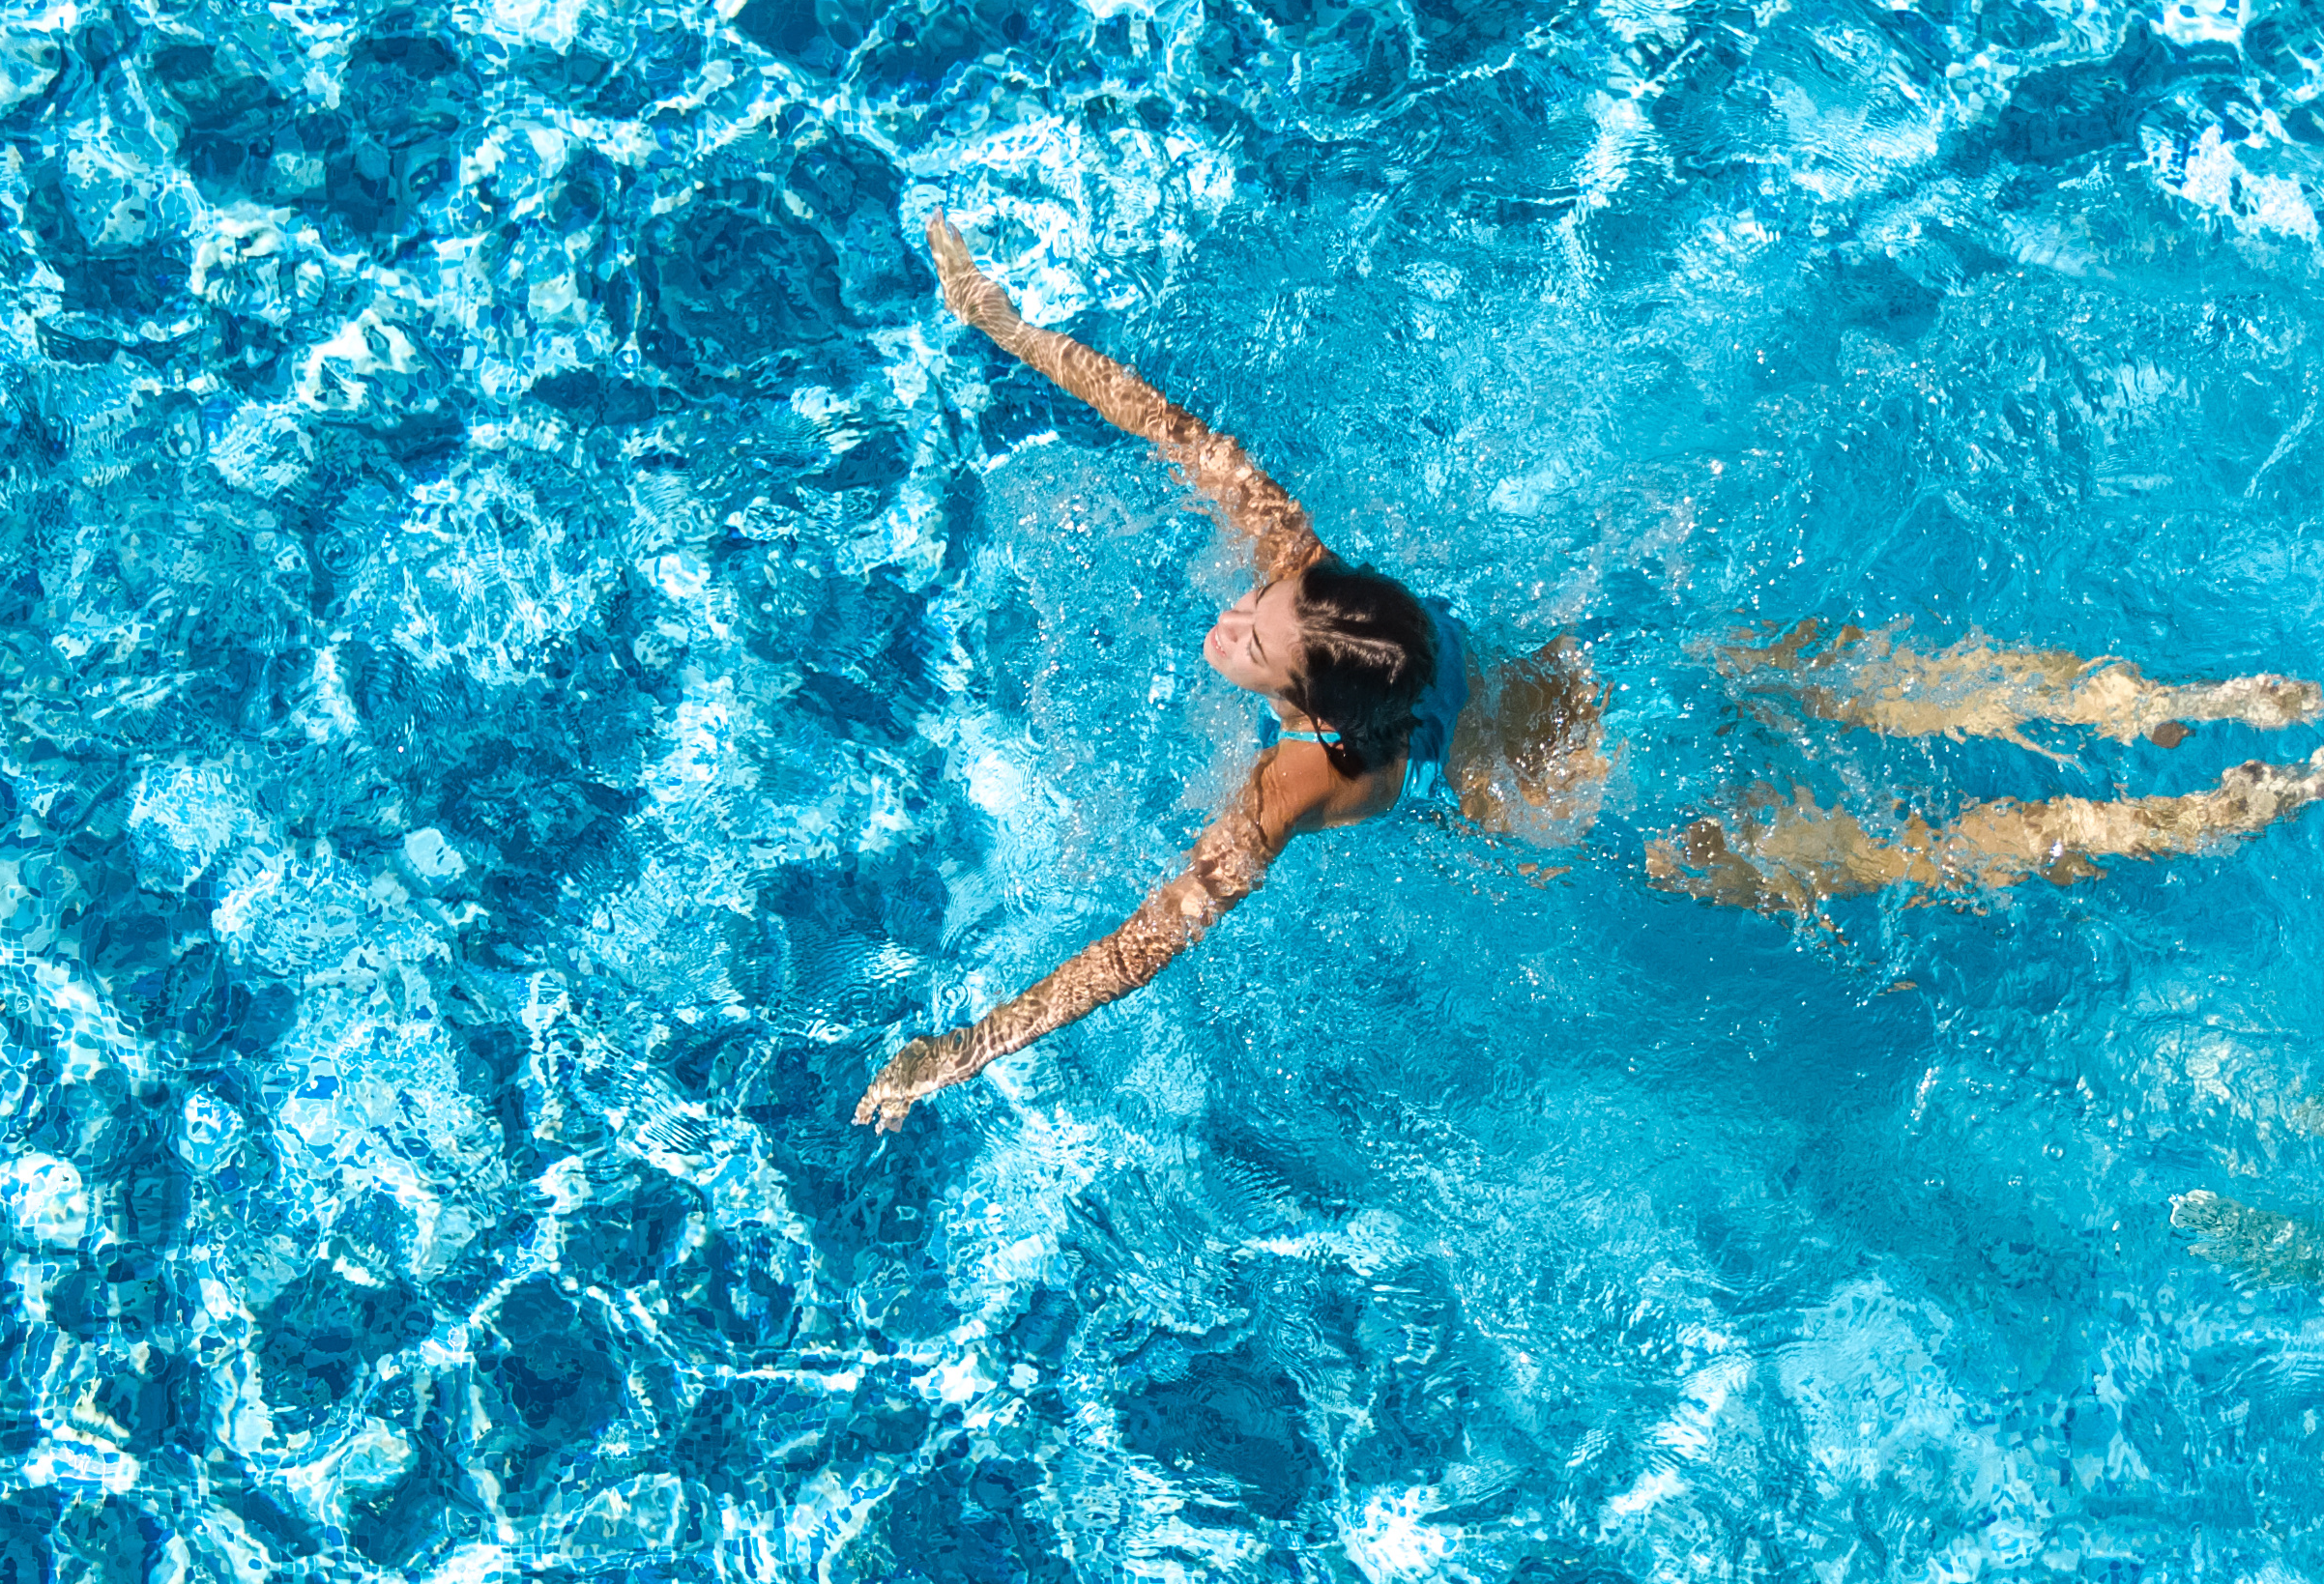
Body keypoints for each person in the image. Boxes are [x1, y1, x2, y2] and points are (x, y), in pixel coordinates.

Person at [853, 217, 2324, 1133]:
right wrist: (1005, 324)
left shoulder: (1296, 785)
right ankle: (2249, 714)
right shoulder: (1342, 594)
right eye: (1259, 604)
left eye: (1257, 635)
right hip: (1633, 685)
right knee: (1923, 689)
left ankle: (2204, 805)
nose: (1237, 616)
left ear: (1314, 711)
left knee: (1918, 851)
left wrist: (962, 1049)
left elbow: (1138, 948)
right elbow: (1178, 433)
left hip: (1624, 818)